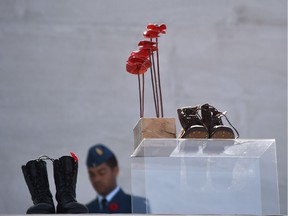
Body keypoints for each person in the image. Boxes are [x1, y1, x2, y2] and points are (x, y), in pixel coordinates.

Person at [86, 143, 150, 213]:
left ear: (115, 171)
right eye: (92, 174)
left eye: (102, 172)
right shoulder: (86, 210)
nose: (96, 179)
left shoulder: (137, 205)